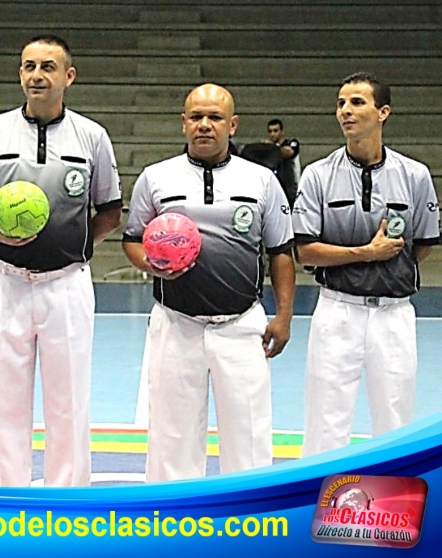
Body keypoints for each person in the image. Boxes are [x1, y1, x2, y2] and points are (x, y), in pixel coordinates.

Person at [0, 35, 122, 487]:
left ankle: (68, 497)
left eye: (48, 67)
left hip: (65, 283)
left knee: (69, 398)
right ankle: (6, 494)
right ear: (20, 74)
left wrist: (78, 243)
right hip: (4, 282)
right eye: (29, 66)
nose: (37, 75)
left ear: (68, 76)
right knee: (4, 397)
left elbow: (109, 210)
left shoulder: (92, 136)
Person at [122, 83, 295, 480]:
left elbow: (281, 251)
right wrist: (152, 265)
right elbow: (132, 241)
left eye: (215, 117)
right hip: (175, 323)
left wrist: (283, 315)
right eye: (196, 117)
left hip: (242, 324)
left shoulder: (262, 181)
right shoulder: (155, 178)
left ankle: (252, 527)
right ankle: (171, 527)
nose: (204, 125)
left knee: (249, 439)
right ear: (183, 123)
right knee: (171, 439)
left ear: (232, 125)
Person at [292, 72, 440, 457]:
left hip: (394, 315)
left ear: (383, 112)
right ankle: (318, 507)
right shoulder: (318, 175)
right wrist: (365, 256)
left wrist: (385, 270)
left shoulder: (415, 175)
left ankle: (391, 514)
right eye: (341, 103)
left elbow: (420, 244)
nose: (345, 111)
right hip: (337, 310)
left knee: (395, 418)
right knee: (325, 418)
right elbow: (304, 251)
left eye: (357, 102)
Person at [267, 118, 301, 209]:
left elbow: (289, 152)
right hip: (275, 190)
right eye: (270, 131)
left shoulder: (292, 143)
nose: (272, 134)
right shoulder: (270, 148)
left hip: (290, 190)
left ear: (282, 131)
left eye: (275, 131)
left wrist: (271, 148)